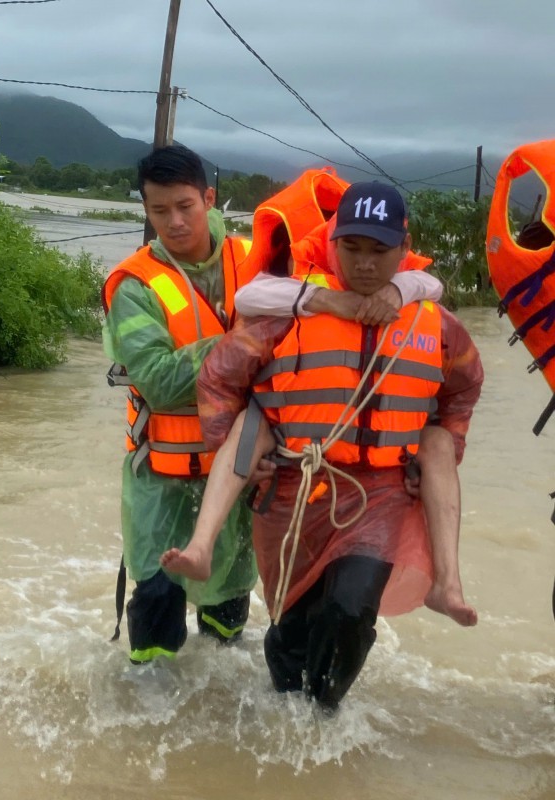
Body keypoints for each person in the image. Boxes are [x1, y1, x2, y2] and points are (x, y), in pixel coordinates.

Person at [163, 181, 484, 711]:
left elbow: (464, 386)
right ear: (332, 245)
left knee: (352, 608)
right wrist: (239, 449)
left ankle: (324, 718)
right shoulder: (288, 311)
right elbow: (219, 378)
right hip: (292, 492)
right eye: (351, 248)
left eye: (379, 251)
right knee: (291, 627)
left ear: (404, 250)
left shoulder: (435, 324)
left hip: (378, 497)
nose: (363, 264)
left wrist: (441, 447)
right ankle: (288, 720)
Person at [102, 144, 261, 663]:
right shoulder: (134, 286)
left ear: (208, 197)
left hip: (239, 478)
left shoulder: (257, 260)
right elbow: (161, 383)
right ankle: (146, 727)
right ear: (144, 209)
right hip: (162, 481)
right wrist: (241, 339)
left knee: (229, 621)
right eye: (158, 210)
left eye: (185, 207)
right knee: (154, 621)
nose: (172, 222)